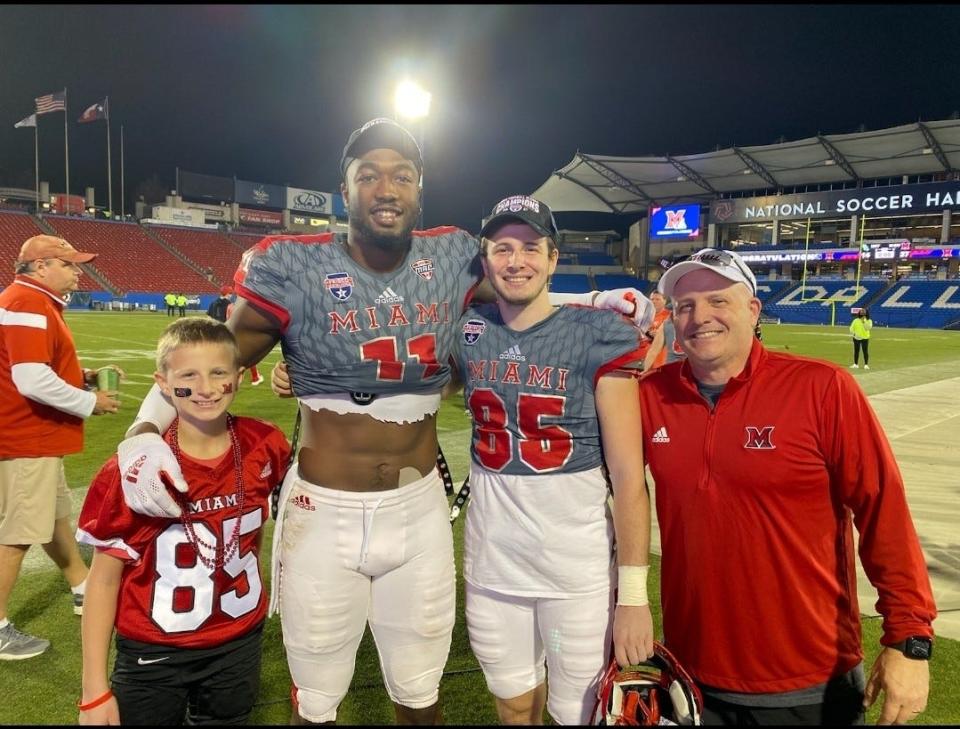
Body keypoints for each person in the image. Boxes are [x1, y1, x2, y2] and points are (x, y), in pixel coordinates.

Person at [114, 117, 653, 724]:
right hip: (322, 511)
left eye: (400, 175)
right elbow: (212, 359)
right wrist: (142, 429)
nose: (385, 188)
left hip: (418, 509)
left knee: (421, 694)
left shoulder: (451, 256)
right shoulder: (292, 265)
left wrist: (593, 302)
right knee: (315, 701)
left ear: (420, 188)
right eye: (368, 175)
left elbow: (522, 284)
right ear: (344, 189)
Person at [638, 247, 936, 725]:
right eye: (686, 305)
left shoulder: (822, 388)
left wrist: (909, 639)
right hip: (692, 674)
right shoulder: (651, 395)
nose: (700, 317)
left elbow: (884, 510)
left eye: (718, 301)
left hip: (810, 679)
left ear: (753, 310)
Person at [452, 195, 654, 724]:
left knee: (577, 713)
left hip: (575, 568)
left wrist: (634, 595)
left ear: (553, 258)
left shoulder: (597, 334)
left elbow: (631, 476)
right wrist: (303, 378)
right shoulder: (467, 331)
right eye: (503, 248)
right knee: (514, 704)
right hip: (493, 563)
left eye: (531, 248)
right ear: (486, 257)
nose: (516, 260)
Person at [76, 317, 290, 725]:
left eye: (218, 373)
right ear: (163, 381)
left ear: (240, 377)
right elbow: (103, 579)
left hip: (237, 641)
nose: (206, 388)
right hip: (154, 649)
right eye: (189, 375)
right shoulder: (136, 468)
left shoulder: (265, 444)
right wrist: (93, 690)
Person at [0, 234, 121, 660]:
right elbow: (31, 379)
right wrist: (91, 401)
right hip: (27, 434)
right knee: (18, 533)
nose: (77, 271)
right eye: (68, 264)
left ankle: (83, 585)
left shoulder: (28, 299)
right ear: (40, 267)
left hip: (30, 434)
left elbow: (33, 364)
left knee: (53, 520)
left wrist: (82, 375)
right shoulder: (29, 302)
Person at [206, 289, 263, 385]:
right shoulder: (231, 304)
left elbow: (208, 318)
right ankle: (254, 377)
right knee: (245, 354)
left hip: (216, 332)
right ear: (228, 294)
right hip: (229, 332)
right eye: (230, 293)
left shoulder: (213, 303)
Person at [636, 290, 671, 367]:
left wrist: (660, 336)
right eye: (652, 299)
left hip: (661, 358)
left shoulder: (670, 317)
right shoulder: (643, 316)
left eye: (657, 299)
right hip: (643, 357)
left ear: (665, 301)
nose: (654, 302)